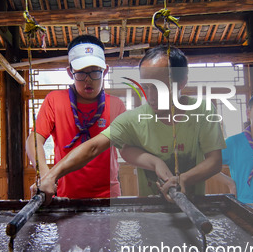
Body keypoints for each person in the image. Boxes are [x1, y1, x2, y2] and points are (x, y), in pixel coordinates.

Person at [37, 45, 225, 204]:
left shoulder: (203, 110)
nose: (150, 96)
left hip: (196, 207)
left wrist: (184, 179)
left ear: (182, 81)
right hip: (149, 211)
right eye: (147, 87)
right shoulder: (135, 119)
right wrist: (51, 176)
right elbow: (93, 147)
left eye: (159, 87)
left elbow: (215, 161)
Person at [26, 35, 126, 200]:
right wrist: (45, 175)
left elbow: (126, 149)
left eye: (95, 72)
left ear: (105, 71)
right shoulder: (54, 100)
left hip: (108, 196)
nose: (88, 80)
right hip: (67, 195)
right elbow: (34, 139)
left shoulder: (116, 106)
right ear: (70, 72)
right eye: (81, 73)